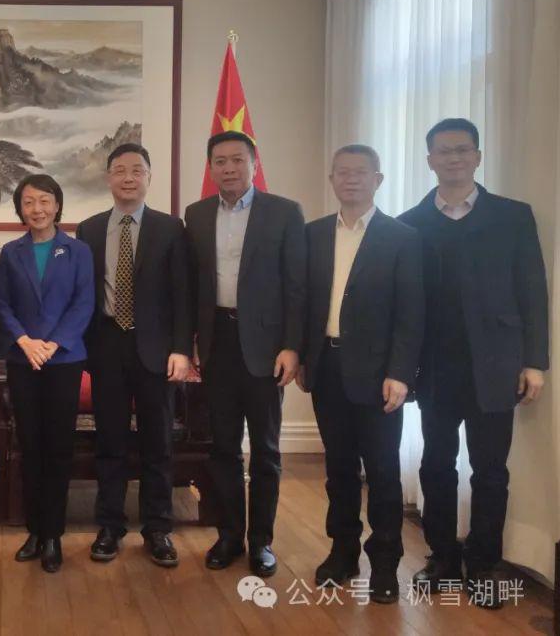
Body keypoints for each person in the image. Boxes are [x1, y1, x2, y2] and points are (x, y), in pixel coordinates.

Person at [399, 118, 548, 609]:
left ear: (478, 157)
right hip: (435, 368)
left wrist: (535, 362)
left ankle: (484, 565)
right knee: (436, 465)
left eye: (462, 150)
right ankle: (442, 557)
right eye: (443, 151)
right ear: (430, 161)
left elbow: (532, 291)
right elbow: (405, 304)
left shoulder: (512, 216)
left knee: (490, 471)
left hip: (496, 366)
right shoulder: (410, 223)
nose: (454, 158)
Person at [301, 144, 424, 603]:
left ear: (378, 179)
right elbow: (304, 301)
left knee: (384, 471)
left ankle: (386, 563)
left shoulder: (402, 238)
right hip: (327, 367)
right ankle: (343, 552)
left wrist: (400, 372)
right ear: (332, 179)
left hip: (379, 376)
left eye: (360, 172)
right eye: (342, 172)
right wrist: (304, 356)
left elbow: (412, 314)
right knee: (338, 469)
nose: (351, 179)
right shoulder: (314, 234)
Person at [186, 130, 305, 578]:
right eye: (220, 161)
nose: (229, 168)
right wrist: (191, 341)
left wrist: (292, 346)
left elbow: (296, 286)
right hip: (217, 343)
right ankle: (229, 535)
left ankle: (262, 542)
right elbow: (194, 283)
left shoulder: (284, 212)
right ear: (211, 167)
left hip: (266, 347)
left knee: (266, 450)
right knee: (223, 447)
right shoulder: (196, 214)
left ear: (254, 164)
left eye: (238, 160)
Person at [76, 143, 192, 568]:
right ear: (108, 178)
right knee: (110, 441)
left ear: (148, 177)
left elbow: (182, 293)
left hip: (156, 349)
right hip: (106, 345)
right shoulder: (89, 230)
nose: (128, 178)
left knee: (157, 442)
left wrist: (181, 348)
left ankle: (158, 528)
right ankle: (110, 525)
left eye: (137, 170)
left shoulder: (170, 228)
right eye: (120, 170)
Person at [0, 174, 95, 572]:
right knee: (30, 446)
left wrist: (52, 344)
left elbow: (84, 304)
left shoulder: (78, 251)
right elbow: (1, 303)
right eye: (29, 202)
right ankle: (34, 531)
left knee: (58, 448)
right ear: (20, 208)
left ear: (57, 205)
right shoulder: (11, 252)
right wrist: (24, 341)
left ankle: (53, 535)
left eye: (45, 201)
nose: (37, 209)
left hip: (64, 362)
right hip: (23, 362)